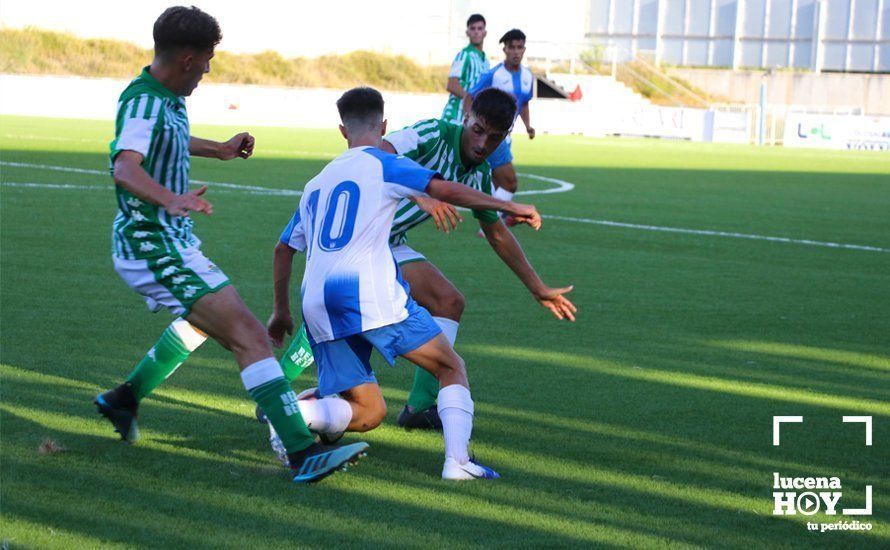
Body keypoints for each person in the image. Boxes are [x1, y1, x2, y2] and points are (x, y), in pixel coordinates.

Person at [93, 5, 367, 484]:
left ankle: (124, 399)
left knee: (206, 325)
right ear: (185, 58)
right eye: (206, 59)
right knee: (250, 335)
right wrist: (171, 198)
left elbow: (168, 137)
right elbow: (125, 167)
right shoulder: (142, 101)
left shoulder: (166, 97)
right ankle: (303, 454)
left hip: (172, 241)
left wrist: (218, 149)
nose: (207, 68)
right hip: (152, 245)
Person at [265, 89, 575, 447]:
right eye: (477, 130)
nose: (482, 143)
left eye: (494, 138)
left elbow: (497, 234)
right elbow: (378, 154)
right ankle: (282, 389)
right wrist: (422, 194)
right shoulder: (432, 132)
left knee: (447, 301)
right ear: (466, 116)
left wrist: (538, 287)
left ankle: (418, 406)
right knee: (346, 308)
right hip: (364, 241)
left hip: (386, 244)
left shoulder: (479, 173)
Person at [462, 29, 535, 211]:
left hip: (504, 136)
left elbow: (524, 104)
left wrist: (528, 126)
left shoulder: (528, 76)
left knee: (495, 182)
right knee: (509, 182)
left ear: (524, 49)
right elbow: (469, 97)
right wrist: (471, 121)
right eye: (512, 48)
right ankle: (493, 220)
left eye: (519, 47)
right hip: (491, 136)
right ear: (505, 50)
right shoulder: (493, 75)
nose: (516, 52)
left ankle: (489, 221)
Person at [441, 14, 489, 124]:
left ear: (485, 33)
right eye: (473, 28)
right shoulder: (464, 55)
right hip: (454, 117)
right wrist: (471, 99)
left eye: (480, 28)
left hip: (471, 119)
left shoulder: (486, 62)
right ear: (467, 32)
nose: (476, 32)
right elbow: (452, 85)